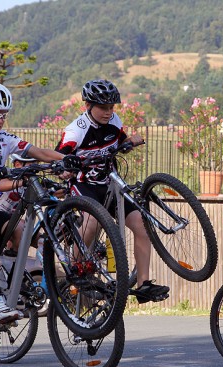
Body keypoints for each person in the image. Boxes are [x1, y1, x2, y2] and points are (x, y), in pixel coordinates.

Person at [0, 78, 81, 324]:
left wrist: (66, 159)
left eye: (3, 116)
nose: (0, 121)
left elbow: (37, 152)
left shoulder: (5, 138)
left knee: (19, 232)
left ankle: (6, 286)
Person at [55, 79, 169, 304]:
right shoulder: (76, 130)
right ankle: (77, 270)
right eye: (103, 108)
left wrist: (131, 141)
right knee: (93, 221)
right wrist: (64, 170)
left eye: (111, 107)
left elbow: (120, 141)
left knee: (142, 225)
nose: (108, 112)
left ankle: (144, 284)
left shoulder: (114, 121)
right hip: (84, 185)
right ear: (88, 105)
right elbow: (60, 156)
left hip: (110, 184)